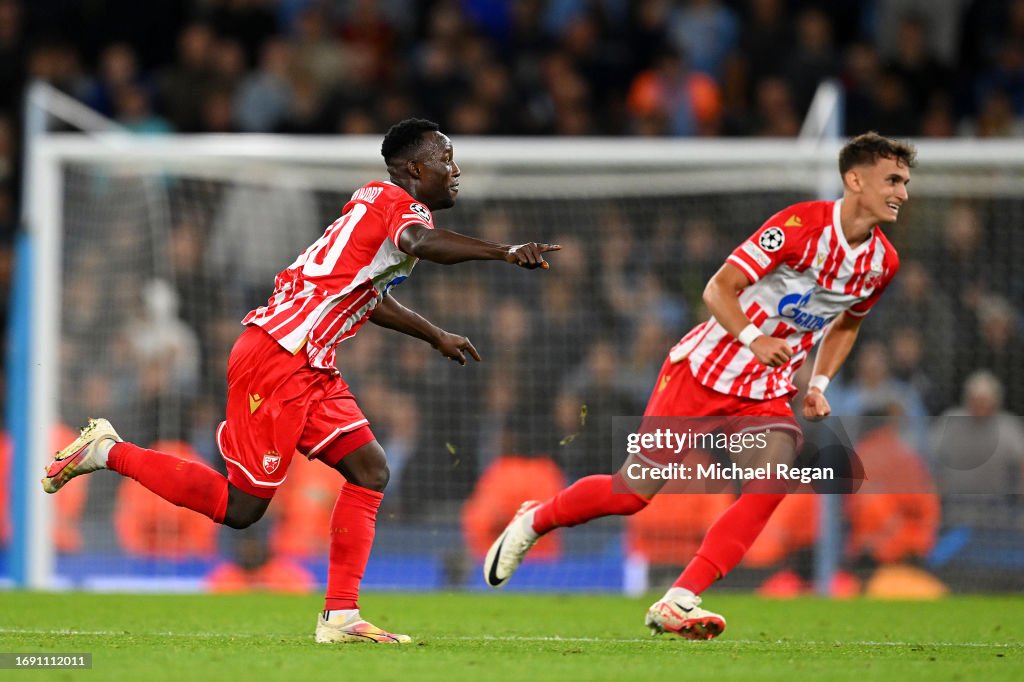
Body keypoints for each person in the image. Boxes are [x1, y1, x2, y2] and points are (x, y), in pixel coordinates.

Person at [42, 118, 559, 645]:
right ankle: (107, 451)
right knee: (242, 509)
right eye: (446, 159)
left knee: (370, 469)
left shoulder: (378, 207)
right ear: (415, 169)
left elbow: (369, 294)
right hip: (278, 356)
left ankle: (341, 617)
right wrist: (504, 251)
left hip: (311, 362)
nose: (455, 171)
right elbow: (421, 241)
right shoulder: (401, 209)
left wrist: (434, 334)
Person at [484, 131, 915, 640]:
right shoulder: (798, 226)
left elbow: (847, 323)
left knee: (773, 479)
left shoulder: (882, 262)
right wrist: (754, 339)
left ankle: (680, 597)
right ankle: (534, 522)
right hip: (701, 373)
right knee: (631, 493)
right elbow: (719, 288)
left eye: (906, 182)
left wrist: (818, 380)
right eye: (893, 180)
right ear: (855, 179)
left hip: (764, 390)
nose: (903, 193)